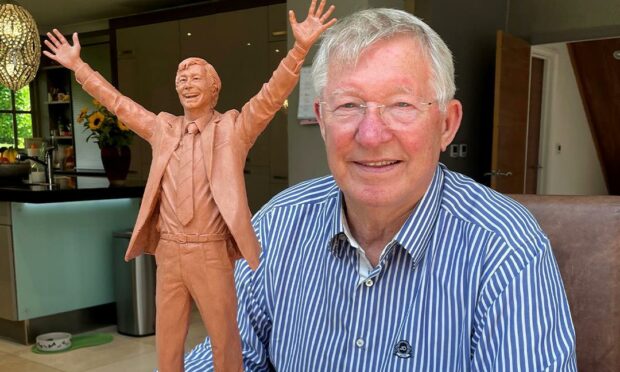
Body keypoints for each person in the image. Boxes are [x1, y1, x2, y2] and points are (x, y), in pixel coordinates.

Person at [183, 7, 577, 372]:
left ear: (446, 124)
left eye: (401, 105)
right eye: (349, 105)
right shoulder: (277, 225)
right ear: (321, 119)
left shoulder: (505, 247)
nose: (371, 135)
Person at [42, 1, 336, 371]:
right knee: (168, 340)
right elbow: (118, 104)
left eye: (196, 77)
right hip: (169, 253)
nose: (186, 82)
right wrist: (78, 67)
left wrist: (299, 48)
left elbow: (270, 96)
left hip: (210, 254)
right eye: (182, 78)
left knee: (225, 339)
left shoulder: (233, 128)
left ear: (214, 88)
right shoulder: (163, 128)